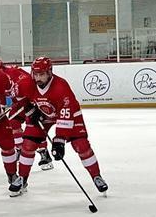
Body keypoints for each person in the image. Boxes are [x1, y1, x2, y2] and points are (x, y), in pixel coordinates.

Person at [12, 57, 109, 197]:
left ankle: (96, 177)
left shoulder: (61, 86)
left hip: (70, 115)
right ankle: (22, 179)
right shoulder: (26, 83)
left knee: (81, 145)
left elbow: (66, 114)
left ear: (49, 72)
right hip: (43, 116)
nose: (38, 77)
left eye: (42, 74)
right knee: (28, 145)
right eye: (36, 74)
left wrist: (59, 140)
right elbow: (19, 98)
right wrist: (30, 110)